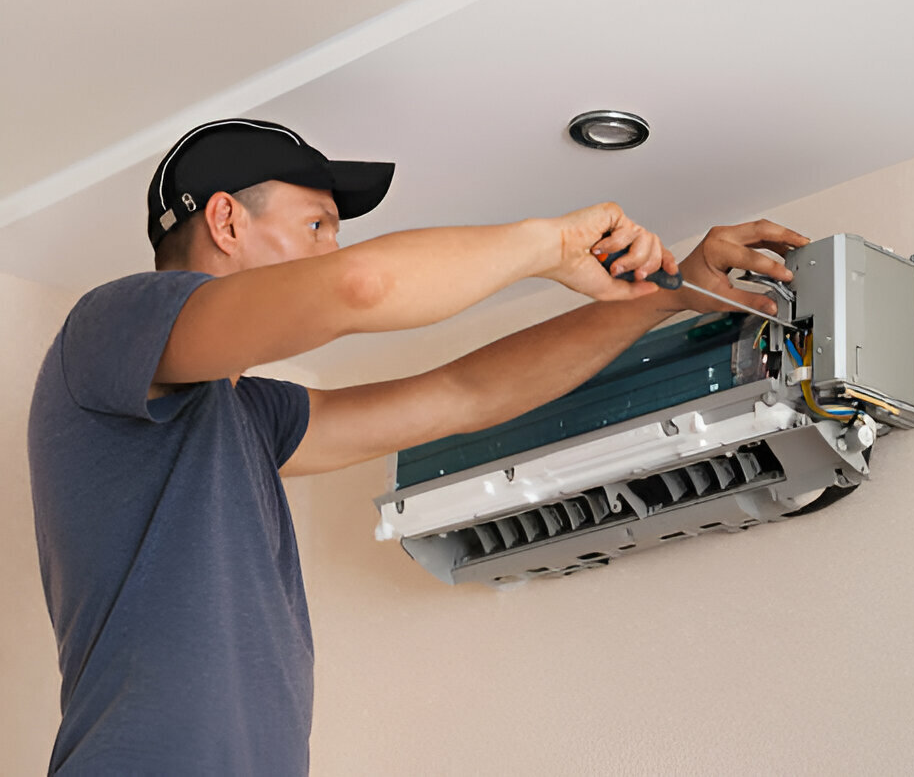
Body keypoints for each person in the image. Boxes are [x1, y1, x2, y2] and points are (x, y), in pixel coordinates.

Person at [27, 118, 808, 775]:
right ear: (227, 221)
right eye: (317, 225)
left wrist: (661, 297)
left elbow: (462, 397)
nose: (333, 248)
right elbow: (357, 289)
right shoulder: (110, 325)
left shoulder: (249, 418)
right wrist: (549, 245)